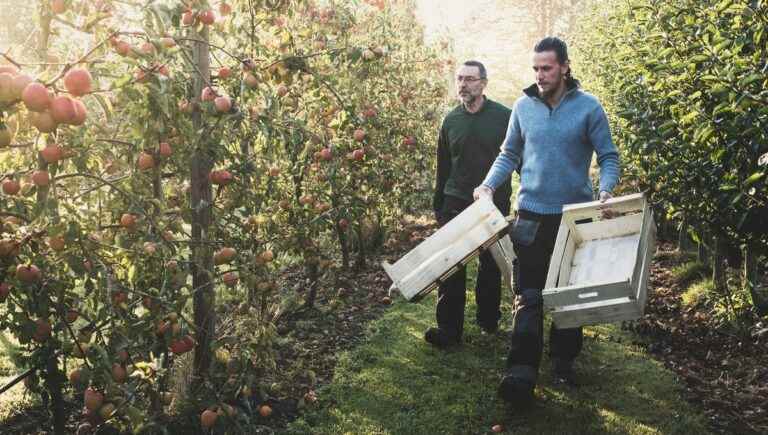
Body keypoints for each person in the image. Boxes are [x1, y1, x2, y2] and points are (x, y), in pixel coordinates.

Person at [473, 36, 620, 406]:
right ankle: (521, 371)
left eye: (547, 68)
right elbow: (509, 154)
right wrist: (488, 185)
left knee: (569, 297)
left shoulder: (589, 107)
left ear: (565, 67)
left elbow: (609, 156)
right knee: (529, 294)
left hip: (574, 218)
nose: (540, 75)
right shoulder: (523, 107)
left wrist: (605, 190)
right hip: (531, 216)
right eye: (536, 68)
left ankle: (564, 360)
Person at [426, 60, 513, 348]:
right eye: (459, 78)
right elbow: (443, 165)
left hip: (493, 200)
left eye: (470, 79)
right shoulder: (451, 120)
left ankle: (488, 319)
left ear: (483, 83)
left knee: (490, 265)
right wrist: (439, 203)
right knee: (451, 266)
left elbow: (518, 156)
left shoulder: (504, 117)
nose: (463, 84)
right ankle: (449, 329)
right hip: (456, 199)